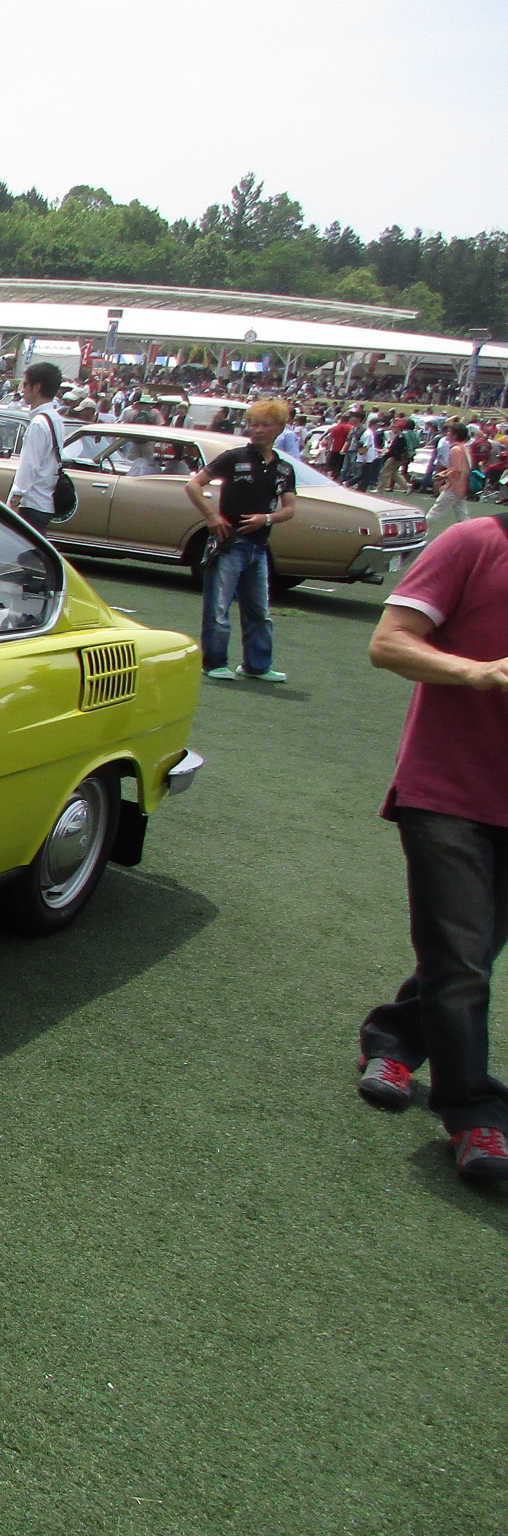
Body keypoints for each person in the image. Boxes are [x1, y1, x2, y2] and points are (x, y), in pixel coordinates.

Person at [357, 510, 508, 1181]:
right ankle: (475, 1111)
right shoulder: (475, 543)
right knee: (463, 963)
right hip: (447, 790)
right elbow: (390, 643)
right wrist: (479, 674)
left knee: (466, 953)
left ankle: (393, 1037)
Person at [184, 398, 297, 682]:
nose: (257, 430)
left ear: (279, 428)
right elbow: (193, 485)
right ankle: (214, 663)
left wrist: (266, 518)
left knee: (259, 612)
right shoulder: (234, 457)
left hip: (258, 547)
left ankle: (256, 665)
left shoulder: (284, 468)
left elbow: (289, 510)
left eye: (265, 425)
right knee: (218, 609)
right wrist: (212, 517)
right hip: (228, 545)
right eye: (253, 424)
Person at [8, 360, 67, 532]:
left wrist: (13, 502)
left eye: (25, 384)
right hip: (44, 502)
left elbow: (29, 467)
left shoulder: (39, 423)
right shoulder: (55, 418)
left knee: (24, 556)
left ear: (37, 387)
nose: (22, 389)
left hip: (31, 504)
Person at [428, 423, 472, 535]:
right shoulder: (463, 447)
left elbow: (456, 469)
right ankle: (469, 535)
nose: (448, 434)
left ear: (455, 435)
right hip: (461, 485)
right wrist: (444, 473)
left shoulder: (455, 449)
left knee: (436, 510)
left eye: (450, 432)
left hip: (454, 486)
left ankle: (421, 530)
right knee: (462, 514)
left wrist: (443, 475)